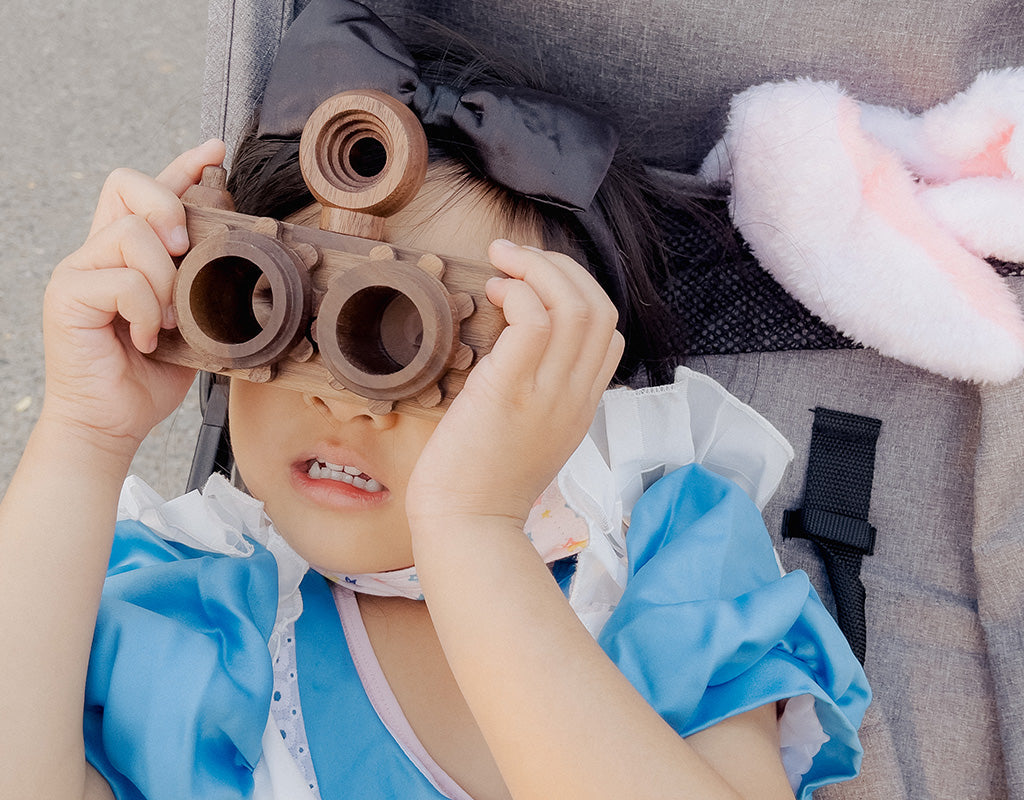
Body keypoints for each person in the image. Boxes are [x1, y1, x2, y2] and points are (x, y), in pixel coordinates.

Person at [0, 2, 869, 799]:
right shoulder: (207, 618)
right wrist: (84, 436)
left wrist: (473, 530)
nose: (355, 407)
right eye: (285, 316)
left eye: (422, 357)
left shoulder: (660, 555)